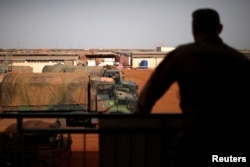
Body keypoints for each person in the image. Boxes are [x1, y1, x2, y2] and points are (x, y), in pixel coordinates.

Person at [135, 8, 250, 166]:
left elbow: (151, 89)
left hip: (194, 142)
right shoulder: (240, 60)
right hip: (233, 142)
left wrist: (139, 117)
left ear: (193, 29)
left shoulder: (183, 55)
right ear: (220, 29)